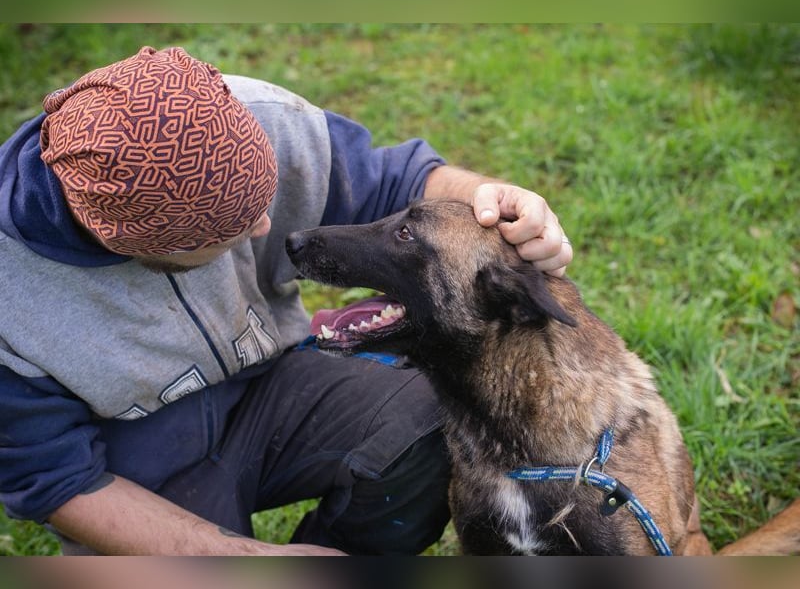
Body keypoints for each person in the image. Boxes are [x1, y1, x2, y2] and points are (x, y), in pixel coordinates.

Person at [0, 46, 572, 555]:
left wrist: (489, 198)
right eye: (232, 227)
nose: (267, 226)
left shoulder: (235, 115)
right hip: (136, 466)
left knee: (432, 418)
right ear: (131, 249)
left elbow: (395, 180)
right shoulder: (11, 299)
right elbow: (57, 481)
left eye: (262, 197)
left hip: (273, 385)